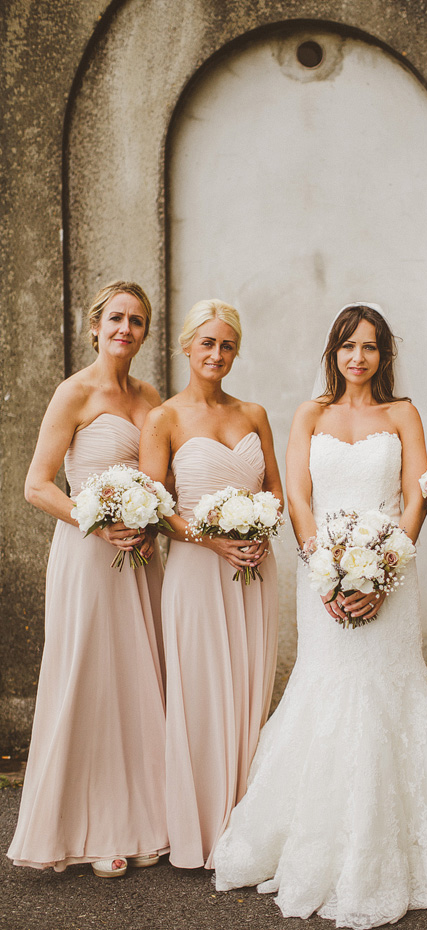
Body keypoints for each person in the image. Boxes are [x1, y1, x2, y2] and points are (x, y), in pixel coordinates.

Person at [214, 303, 427, 929]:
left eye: (370, 347)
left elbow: (417, 491)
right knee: (327, 689)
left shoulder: (403, 413)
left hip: (392, 569)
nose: (357, 357)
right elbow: (300, 495)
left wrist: (388, 567)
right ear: (332, 353)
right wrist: (320, 565)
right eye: (347, 346)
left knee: (390, 688)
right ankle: (315, 836)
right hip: (323, 571)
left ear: (384, 355)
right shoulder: (311, 413)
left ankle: (401, 844)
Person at [8, 281, 168, 878]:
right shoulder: (73, 393)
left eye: (137, 321)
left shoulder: (150, 394)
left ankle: (138, 815)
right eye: (116, 319)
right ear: (95, 326)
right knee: (89, 677)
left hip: (142, 555)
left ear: (145, 332)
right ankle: (87, 824)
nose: (125, 329)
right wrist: (97, 523)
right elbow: (37, 485)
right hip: (89, 552)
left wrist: (150, 521)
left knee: (136, 678)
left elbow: (159, 475)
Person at [138, 299, 282, 870]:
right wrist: (211, 539)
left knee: (249, 689)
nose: (216, 354)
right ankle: (198, 828)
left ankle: (246, 824)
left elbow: (273, 485)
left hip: (254, 569)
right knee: (200, 692)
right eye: (207, 344)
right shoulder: (164, 419)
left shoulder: (255, 413)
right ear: (187, 347)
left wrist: (261, 530)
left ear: (235, 350)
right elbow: (154, 505)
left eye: (226, 345)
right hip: (197, 572)